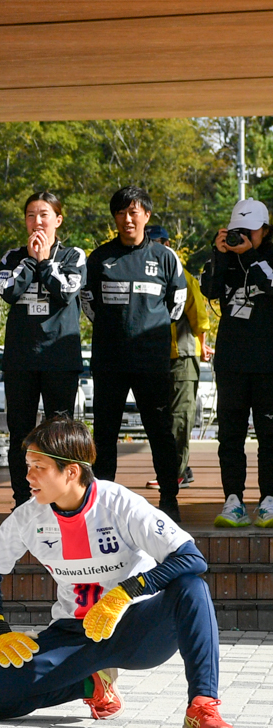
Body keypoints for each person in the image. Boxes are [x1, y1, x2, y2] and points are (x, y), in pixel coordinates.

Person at [0, 416, 231, 728]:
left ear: (72, 471)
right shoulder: (28, 516)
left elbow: (191, 558)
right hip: (74, 636)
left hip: (136, 628)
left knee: (193, 587)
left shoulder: (119, 504)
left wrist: (126, 592)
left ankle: (202, 706)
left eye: (39, 467)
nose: (28, 476)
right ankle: (91, 684)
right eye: (28, 466)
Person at [82, 186, 187, 518]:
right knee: (105, 433)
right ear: (115, 217)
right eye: (121, 212)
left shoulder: (165, 258)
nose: (128, 218)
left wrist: (146, 332)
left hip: (152, 362)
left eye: (134, 212)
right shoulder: (98, 258)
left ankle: (169, 497)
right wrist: (119, 332)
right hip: (110, 362)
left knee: (161, 431)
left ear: (146, 215)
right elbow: (88, 304)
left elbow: (177, 305)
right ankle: (100, 503)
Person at [0, 191, 86, 506]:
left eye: (44, 214)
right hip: (21, 359)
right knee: (20, 434)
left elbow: (66, 292)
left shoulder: (74, 255)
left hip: (60, 359)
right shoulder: (11, 257)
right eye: (31, 215)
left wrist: (46, 261)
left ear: (58, 220)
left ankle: (61, 498)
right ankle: (23, 500)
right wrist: (32, 262)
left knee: (60, 434)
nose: (37, 221)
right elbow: (7, 290)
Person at [203, 199, 273, 529]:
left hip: (268, 365)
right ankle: (233, 499)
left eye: (251, 231)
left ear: (265, 230)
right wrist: (219, 254)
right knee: (230, 437)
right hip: (231, 363)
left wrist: (249, 254)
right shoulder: (226, 259)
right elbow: (209, 289)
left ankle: (270, 499)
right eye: (236, 231)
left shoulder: (267, 259)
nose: (243, 236)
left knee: (270, 436)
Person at [163, 227, 209, 494]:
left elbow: (200, 319)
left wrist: (203, 347)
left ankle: (177, 472)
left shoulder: (186, 278)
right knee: (161, 420)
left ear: (168, 244)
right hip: (154, 359)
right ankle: (175, 469)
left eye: (160, 241)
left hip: (183, 356)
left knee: (181, 418)